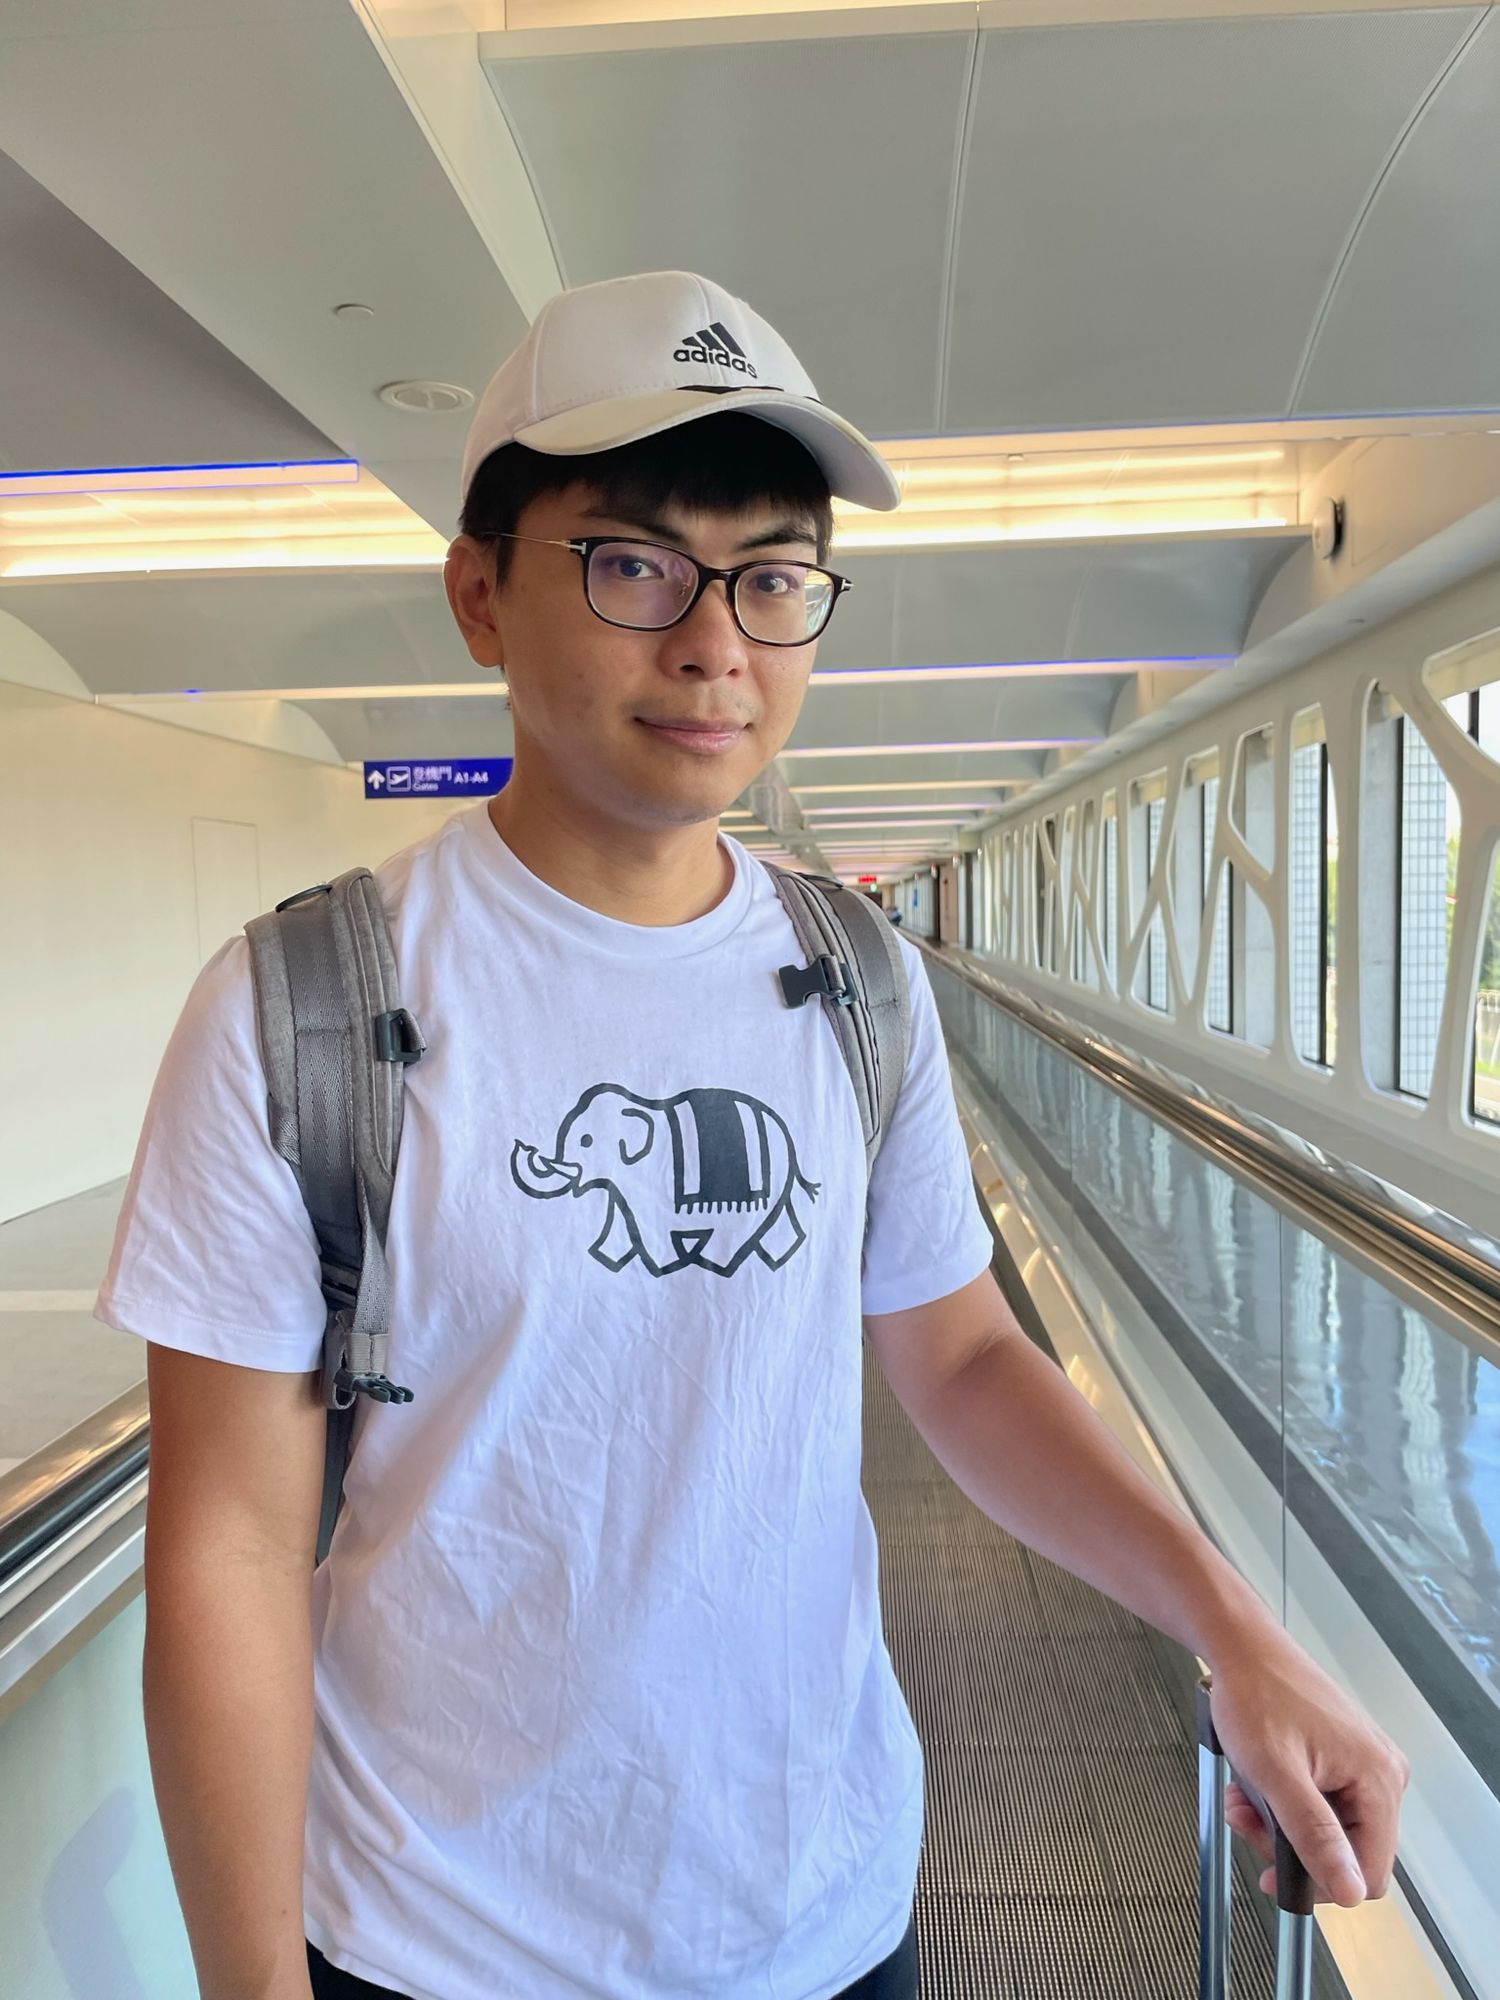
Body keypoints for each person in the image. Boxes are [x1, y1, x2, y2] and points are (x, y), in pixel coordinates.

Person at [95, 270, 1407, 2000]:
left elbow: (960, 1359)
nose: (717, 643)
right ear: (481, 596)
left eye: (774, 578)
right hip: (434, 1940)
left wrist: (1236, 1626)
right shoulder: (300, 1010)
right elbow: (233, 1551)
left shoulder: (855, 975)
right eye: (634, 564)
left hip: (822, 1912)